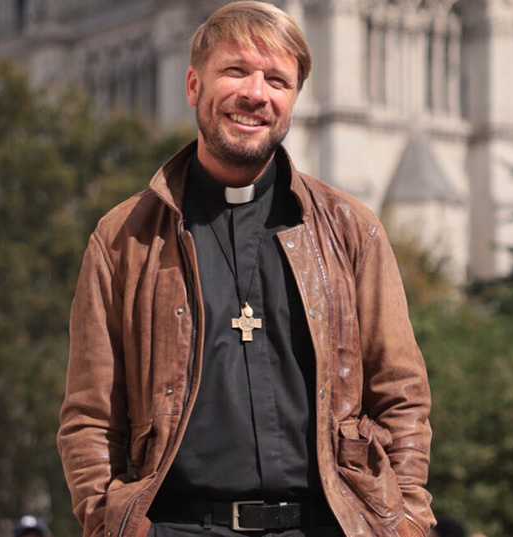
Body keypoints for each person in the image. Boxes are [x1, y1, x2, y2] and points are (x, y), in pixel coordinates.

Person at [57, 2, 434, 537]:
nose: (256, 93)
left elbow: (402, 397)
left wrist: (406, 523)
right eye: (235, 71)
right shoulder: (124, 239)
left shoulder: (352, 230)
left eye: (277, 79)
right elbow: (90, 418)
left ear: (293, 100)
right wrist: (111, 525)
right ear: (193, 85)